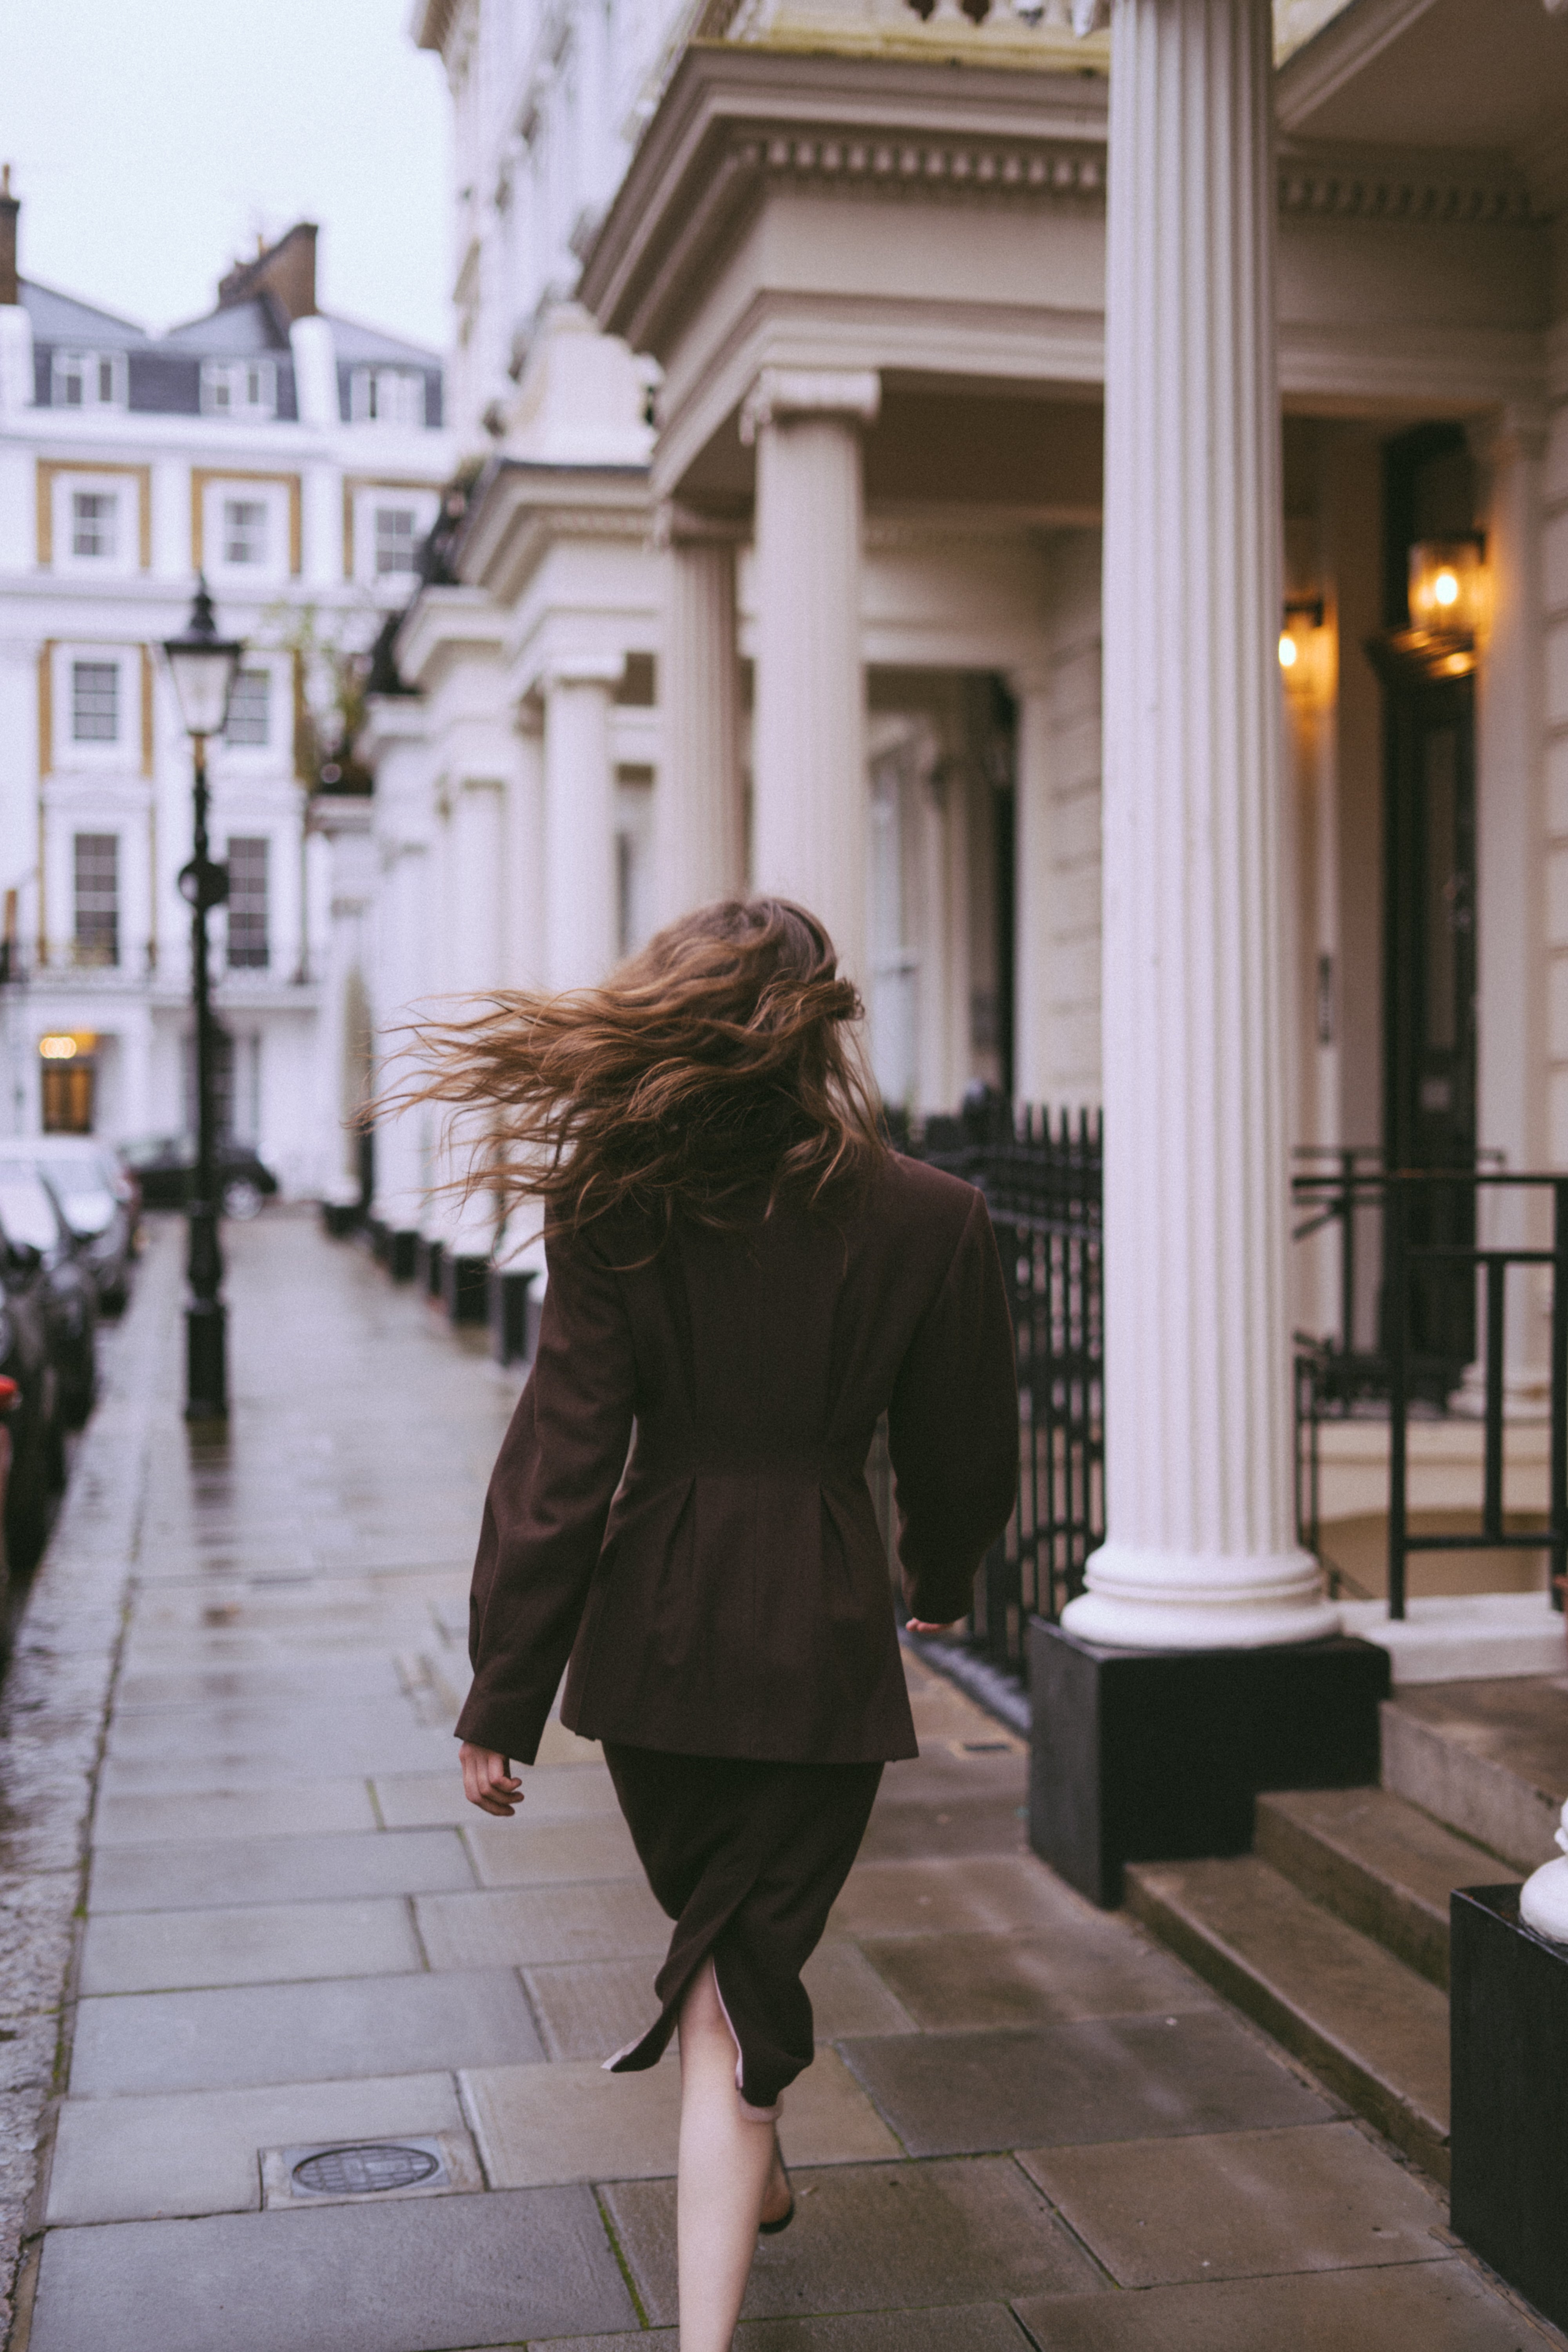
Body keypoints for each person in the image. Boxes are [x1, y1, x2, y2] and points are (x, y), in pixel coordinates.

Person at [426, 897, 1019, 2350]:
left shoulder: (618, 1206)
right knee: (736, 1984)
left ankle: (750, 2166)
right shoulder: (931, 1216)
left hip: (657, 1650)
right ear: (820, 1032)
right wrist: (940, 1576)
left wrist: (505, 1691)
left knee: (731, 1963)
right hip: (818, 1643)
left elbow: (562, 1457)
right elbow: (966, 1449)